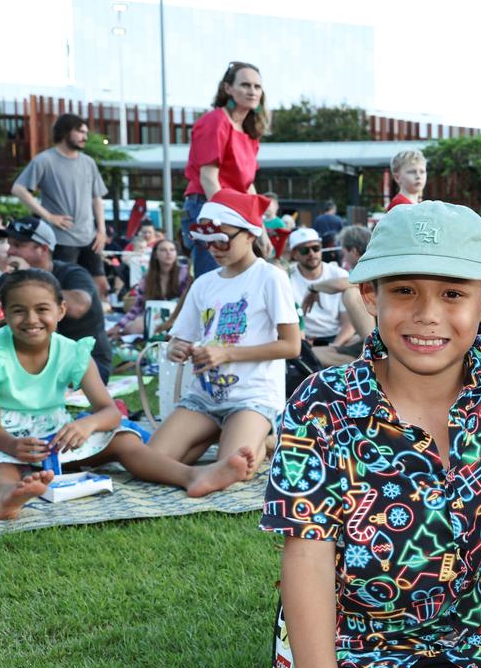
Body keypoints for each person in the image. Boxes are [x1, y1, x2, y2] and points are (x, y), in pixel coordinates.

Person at [260, 201, 481, 668]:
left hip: (478, 644)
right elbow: (307, 553)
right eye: (404, 291)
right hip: (354, 648)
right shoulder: (321, 404)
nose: (427, 314)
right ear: (370, 295)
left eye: (453, 294)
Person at [0, 270, 256, 519]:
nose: (31, 319)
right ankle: (8, 498)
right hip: (4, 439)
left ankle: (191, 476)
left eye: (42, 309)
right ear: (4, 313)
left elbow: (109, 412)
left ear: (61, 310)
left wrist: (86, 425)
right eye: (19, 311)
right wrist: (11, 446)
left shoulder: (72, 352)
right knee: (2, 467)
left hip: (54, 438)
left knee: (124, 440)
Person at [153, 189, 300, 480]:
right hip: (203, 397)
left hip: (252, 397)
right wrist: (176, 349)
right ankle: (217, 447)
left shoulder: (270, 277)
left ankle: (267, 440)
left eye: (222, 240)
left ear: (249, 234)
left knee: (236, 467)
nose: (214, 248)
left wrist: (228, 353)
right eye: (207, 242)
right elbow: (181, 337)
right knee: (153, 459)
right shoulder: (204, 283)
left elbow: (292, 346)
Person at [0, 217, 112, 383]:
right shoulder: (11, 278)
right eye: (9, 244)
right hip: (33, 360)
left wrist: (31, 278)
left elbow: (79, 306)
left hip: (88, 362)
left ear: (43, 248)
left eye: (18, 245)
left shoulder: (73, 273)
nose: (10, 251)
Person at [11, 113, 110, 299]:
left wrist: (102, 231)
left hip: (90, 237)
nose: (85, 137)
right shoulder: (44, 160)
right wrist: (48, 216)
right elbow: (18, 189)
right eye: (80, 131)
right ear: (65, 131)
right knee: (59, 289)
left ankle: (95, 327)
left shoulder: (88, 162)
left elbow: (97, 198)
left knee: (101, 287)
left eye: (85, 132)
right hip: (61, 239)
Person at [184, 61, 267, 278]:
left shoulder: (250, 131)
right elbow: (209, 179)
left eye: (257, 86)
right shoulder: (215, 121)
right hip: (209, 207)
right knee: (214, 281)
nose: (252, 91)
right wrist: (229, 220)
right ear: (228, 88)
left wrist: (261, 229)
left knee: (247, 278)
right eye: (245, 85)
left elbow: (247, 185)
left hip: (234, 212)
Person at [300, 225, 375, 366]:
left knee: (350, 294)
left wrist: (313, 288)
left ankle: (374, 356)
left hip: (379, 342)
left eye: (315, 249)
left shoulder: (373, 266)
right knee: (309, 355)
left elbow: (344, 284)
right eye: (304, 250)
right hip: (363, 340)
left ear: (353, 251)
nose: (344, 258)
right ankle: (366, 359)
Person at [109, 239, 188, 338]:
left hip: (179, 317)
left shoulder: (184, 272)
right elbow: (137, 307)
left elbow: (188, 303)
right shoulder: (147, 278)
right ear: (155, 255)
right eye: (163, 250)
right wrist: (119, 326)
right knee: (133, 328)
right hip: (154, 318)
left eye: (172, 250)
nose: (168, 253)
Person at [287, 227, 349, 347]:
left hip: (336, 338)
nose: (312, 253)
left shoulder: (339, 274)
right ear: (294, 254)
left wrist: (334, 347)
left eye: (316, 248)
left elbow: (348, 324)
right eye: (305, 250)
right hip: (301, 339)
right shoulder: (286, 277)